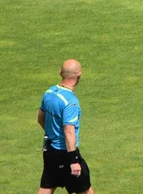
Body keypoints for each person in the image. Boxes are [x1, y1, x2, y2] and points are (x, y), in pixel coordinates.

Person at [37, 60, 93, 194]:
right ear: (79, 75)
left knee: (47, 186)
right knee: (85, 191)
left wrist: (54, 134)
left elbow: (40, 118)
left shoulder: (49, 92)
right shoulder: (70, 102)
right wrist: (73, 160)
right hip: (66, 153)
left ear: (60, 73)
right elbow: (69, 132)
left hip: (50, 150)